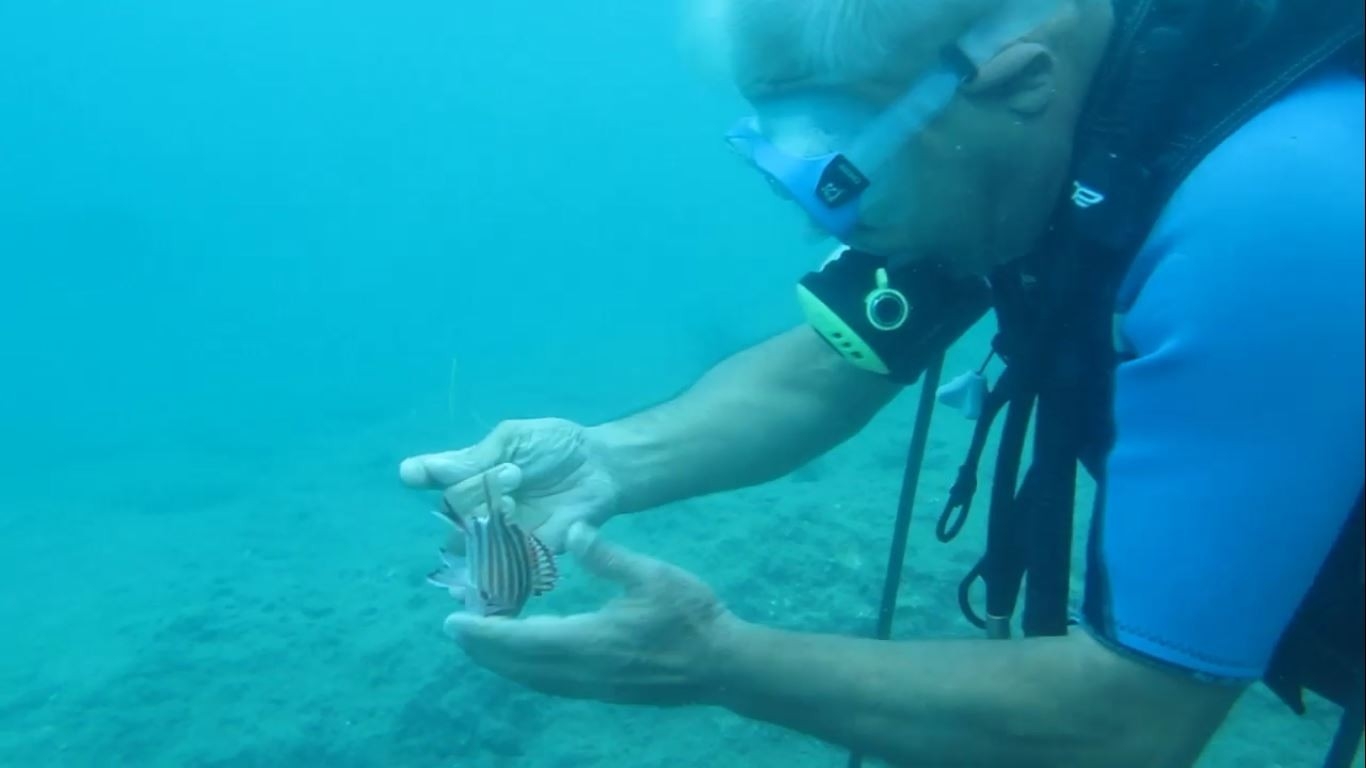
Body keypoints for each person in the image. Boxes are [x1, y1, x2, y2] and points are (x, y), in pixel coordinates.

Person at [399, 1, 1365, 765]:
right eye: (792, 161)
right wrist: (610, 460)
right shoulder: (1017, 134)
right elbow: (822, 373)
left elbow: (1133, 720)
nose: (832, 221)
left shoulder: (1282, 219)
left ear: (1024, 80)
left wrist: (717, 662)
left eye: (845, 169)